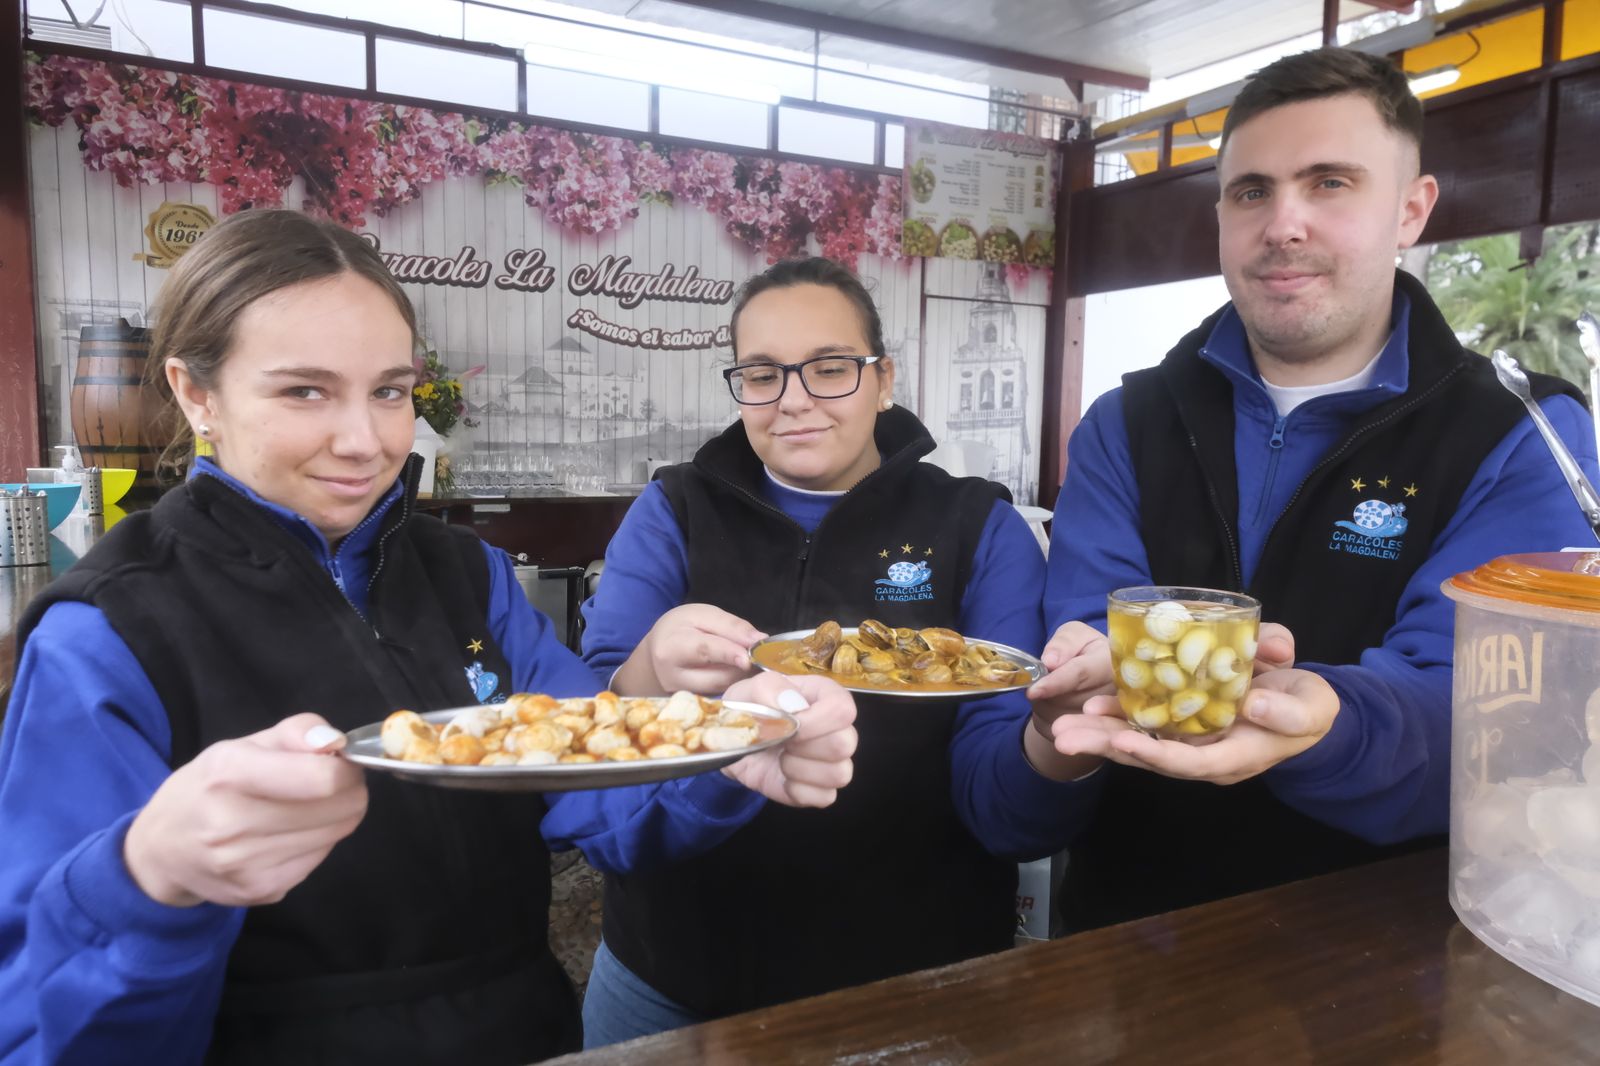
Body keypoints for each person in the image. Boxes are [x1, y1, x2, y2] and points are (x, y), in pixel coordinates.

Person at [0, 209, 859, 1066]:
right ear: (196, 394)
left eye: (389, 391)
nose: (365, 441)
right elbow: (40, 1030)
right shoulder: (108, 628)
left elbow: (597, 788)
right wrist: (148, 877)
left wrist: (729, 754)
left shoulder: (466, 575)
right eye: (304, 391)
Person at [1030, 46, 1600, 932]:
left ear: (1412, 210)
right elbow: (1083, 638)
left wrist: (1328, 720)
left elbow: (1493, 716)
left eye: (1330, 182)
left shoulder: (1519, 431)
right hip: (1126, 942)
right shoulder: (1125, 422)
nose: (1283, 223)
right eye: (1252, 190)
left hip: (1390, 955)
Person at [578, 256, 1101, 1046]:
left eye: (829, 369)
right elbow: (592, 738)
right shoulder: (674, 508)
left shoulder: (975, 525)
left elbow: (1010, 819)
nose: (793, 401)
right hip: (669, 975)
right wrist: (647, 666)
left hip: (919, 985)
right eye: (761, 375)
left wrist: (1057, 737)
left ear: (883, 379)